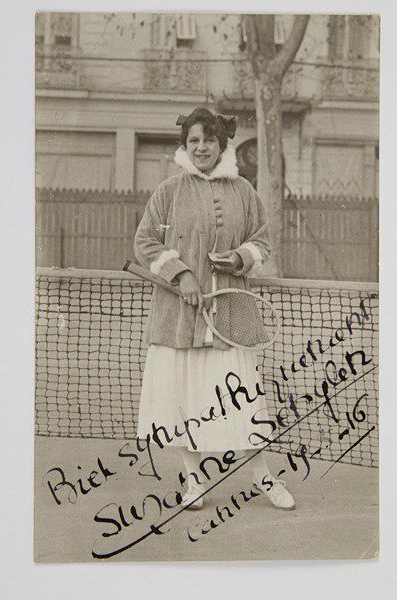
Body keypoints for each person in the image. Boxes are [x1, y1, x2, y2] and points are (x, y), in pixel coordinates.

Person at [134, 107, 295, 510]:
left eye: (209, 139)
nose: (201, 147)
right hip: (180, 319)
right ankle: (194, 482)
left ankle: (262, 477)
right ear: (185, 146)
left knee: (241, 400)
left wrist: (241, 258)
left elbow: (262, 242)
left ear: (222, 144)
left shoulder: (244, 191)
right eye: (193, 141)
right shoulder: (168, 192)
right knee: (185, 400)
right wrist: (182, 274)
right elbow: (146, 242)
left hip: (232, 317)